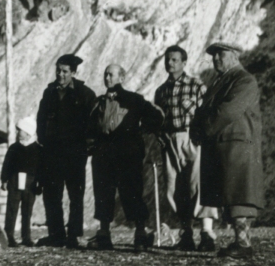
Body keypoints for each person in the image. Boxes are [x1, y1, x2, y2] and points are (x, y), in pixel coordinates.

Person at [191, 42, 264, 260]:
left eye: (220, 55)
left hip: (237, 146)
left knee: (239, 197)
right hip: (224, 145)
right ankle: (241, 243)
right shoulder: (220, 82)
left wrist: (203, 128)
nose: (215, 60)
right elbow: (204, 110)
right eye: (213, 56)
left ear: (233, 56)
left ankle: (244, 244)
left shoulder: (244, 80)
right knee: (231, 196)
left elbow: (228, 111)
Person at [86, 64, 163, 252]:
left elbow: (156, 116)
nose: (107, 78)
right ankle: (104, 235)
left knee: (132, 191)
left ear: (122, 77)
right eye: (105, 74)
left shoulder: (134, 100)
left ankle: (140, 234)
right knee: (103, 193)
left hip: (127, 152)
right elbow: (90, 126)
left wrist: (140, 131)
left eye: (111, 74)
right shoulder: (98, 102)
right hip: (104, 152)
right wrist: (93, 145)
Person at [153, 45, 218, 252]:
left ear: (183, 62)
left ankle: (207, 233)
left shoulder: (196, 85)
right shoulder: (161, 91)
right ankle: (186, 233)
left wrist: (202, 135)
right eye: (167, 60)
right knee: (174, 188)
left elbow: (207, 113)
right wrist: (160, 135)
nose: (169, 63)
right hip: (170, 140)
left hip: (193, 138)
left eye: (174, 60)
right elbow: (158, 119)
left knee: (199, 184)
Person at [35, 53, 97, 249]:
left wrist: (86, 146)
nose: (60, 75)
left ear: (73, 72)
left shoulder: (85, 94)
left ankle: (74, 235)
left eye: (64, 71)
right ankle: (56, 234)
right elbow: (41, 119)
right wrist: (43, 142)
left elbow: (92, 122)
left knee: (75, 195)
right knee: (52, 194)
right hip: (52, 152)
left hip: (75, 152)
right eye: (58, 71)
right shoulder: (49, 92)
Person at [0, 116, 42, 247]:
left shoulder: (38, 149)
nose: (18, 132)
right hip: (14, 181)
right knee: (12, 209)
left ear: (28, 132)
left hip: (31, 183)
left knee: (27, 211)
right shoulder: (14, 148)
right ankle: (9, 236)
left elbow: (42, 168)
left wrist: (40, 183)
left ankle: (26, 237)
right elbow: (6, 165)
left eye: (20, 130)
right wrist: (4, 179)